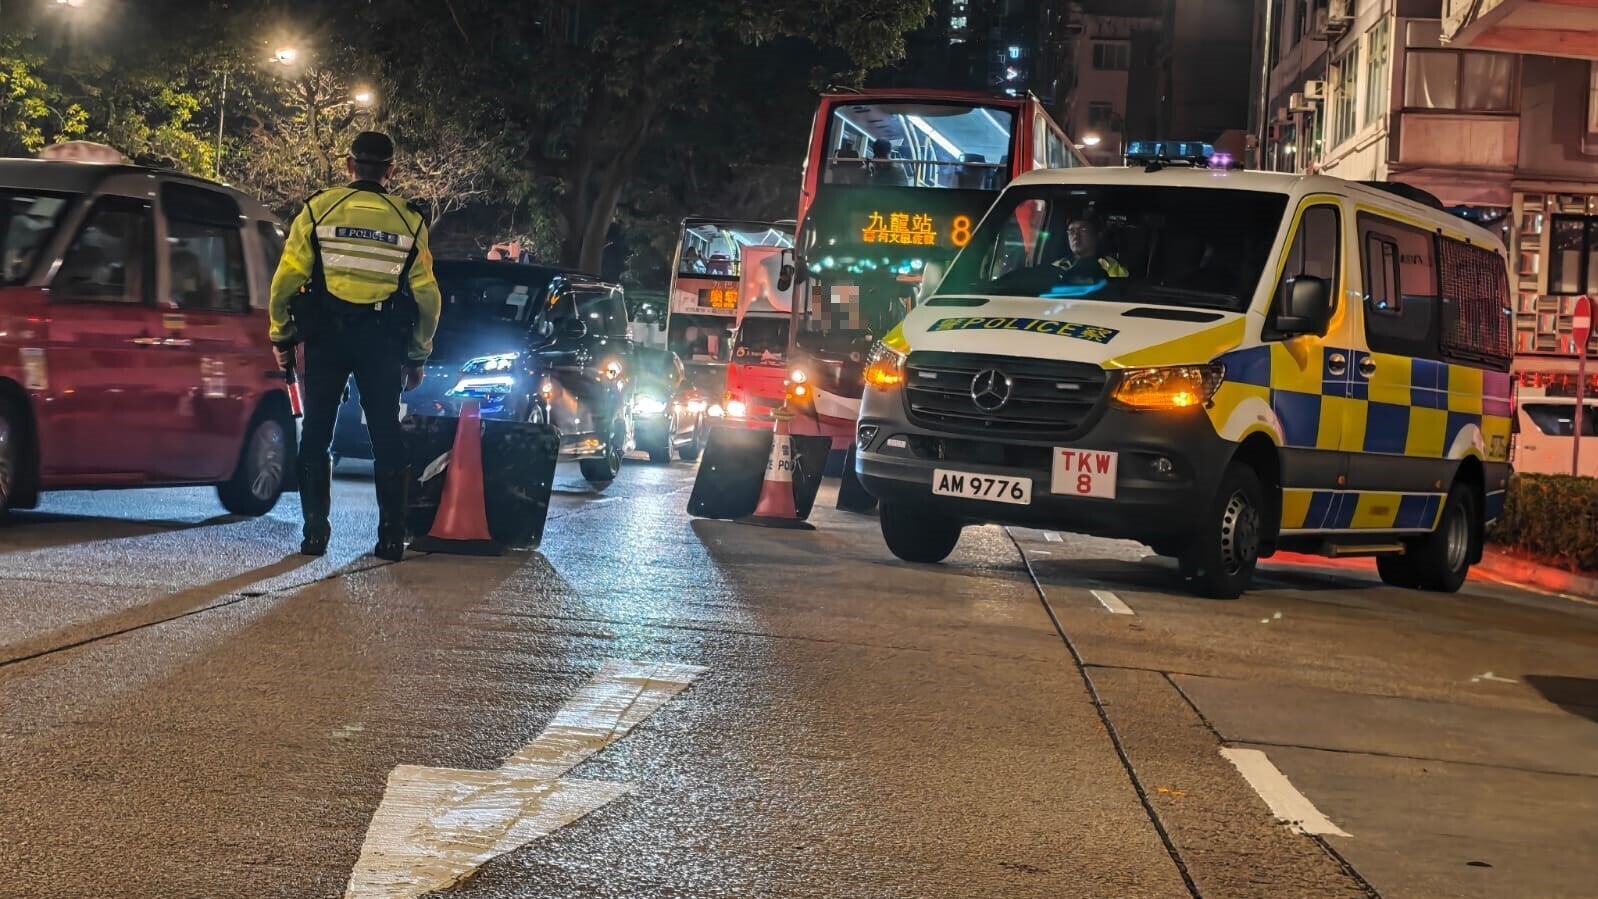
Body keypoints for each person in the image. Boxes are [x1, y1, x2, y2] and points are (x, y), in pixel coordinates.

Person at [268, 131, 442, 561]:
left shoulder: (318, 208)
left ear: (349, 166)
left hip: (326, 335)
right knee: (386, 435)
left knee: (317, 433)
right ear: (391, 170)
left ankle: (314, 535)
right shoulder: (409, 221)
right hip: (382, 341)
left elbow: (285, 281)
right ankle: (389, 538)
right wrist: (417, 354)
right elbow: (428, 298)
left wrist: (280, 335)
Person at [1054, 216, 1129, 280]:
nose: (1075, 236)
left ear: (1097, 236)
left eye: (1083, 230)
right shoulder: (1059, 265)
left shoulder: (1110, 265)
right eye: (1071, 231)